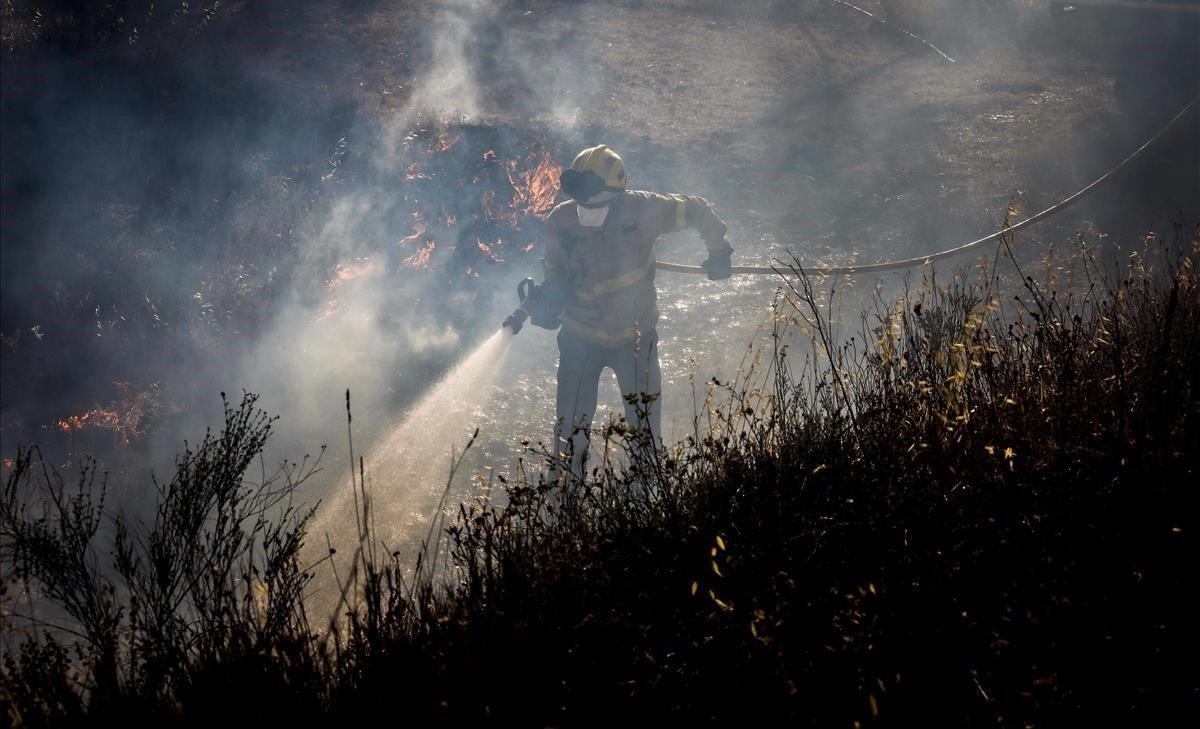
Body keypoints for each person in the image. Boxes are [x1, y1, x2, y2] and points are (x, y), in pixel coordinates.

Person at [504, 144, 733, 476]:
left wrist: (719, 251)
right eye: (580, 203)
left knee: (645, 435)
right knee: (569, 436)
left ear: (617, 194)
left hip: (635, 339)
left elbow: (698, 211)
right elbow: (555, 273)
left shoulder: (643, 210)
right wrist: (550, 301)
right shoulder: (561, 221)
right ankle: (565, 504)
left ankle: (649, 505)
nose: (586, 212)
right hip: (579, 340)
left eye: (594, 203)